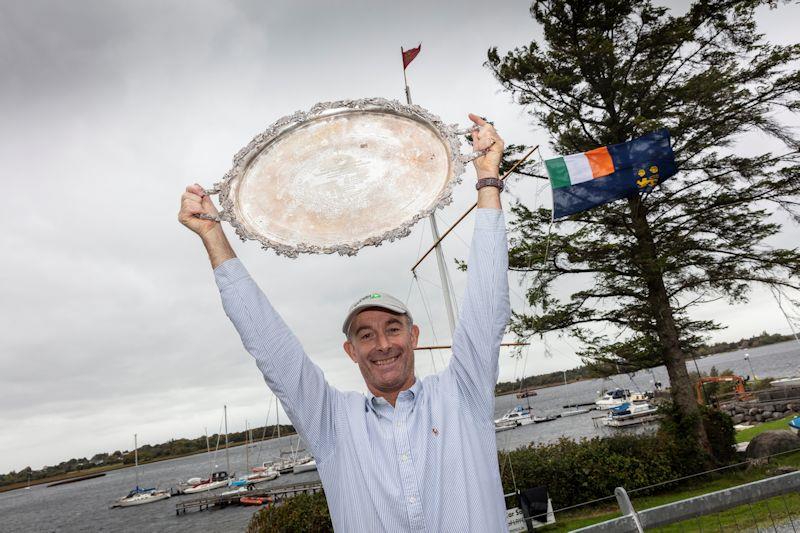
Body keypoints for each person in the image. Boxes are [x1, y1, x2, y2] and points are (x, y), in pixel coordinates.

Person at [179, 114, 511, 532]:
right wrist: (213, 237)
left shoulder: (462, 395)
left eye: (392, 329)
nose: (382, 344)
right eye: (366, 335)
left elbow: (487, 304)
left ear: (413, 336)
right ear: (351, 351)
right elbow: (270, 347)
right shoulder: (333, 423)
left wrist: (487, 180)